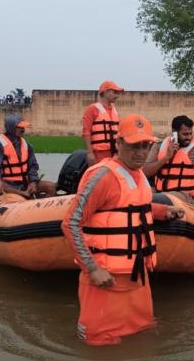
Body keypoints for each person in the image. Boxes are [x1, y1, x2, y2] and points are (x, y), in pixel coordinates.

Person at [61, 114, 185, 346]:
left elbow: (133, 208)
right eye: (133, 145)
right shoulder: (103, 176)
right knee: (99, 344)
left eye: (145, 145)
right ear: (118, 144)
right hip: (105, 278)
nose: (140, 152)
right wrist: (93, 269)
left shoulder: (138, 174)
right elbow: (70, 223)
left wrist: (161, 211)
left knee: (143, 334)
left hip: (137, 275)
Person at [0, 114, 57, 197]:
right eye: (20, 127)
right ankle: (23, 194)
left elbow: (33, 166)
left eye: (23, 127)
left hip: (25, 183)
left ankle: (37, 204)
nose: (23, 129)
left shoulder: (27, 145)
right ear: (11, 128)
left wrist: (33, 182)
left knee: (50, 187)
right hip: (7, 184)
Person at [83, 80, 123, 166]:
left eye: (118, 93)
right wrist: (90, 153)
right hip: (99, 153)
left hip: (115, 153)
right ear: (106, 92)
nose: (117, 96)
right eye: (115, 92)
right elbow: (86, 132)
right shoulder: (92, 109)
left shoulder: (114, 110)